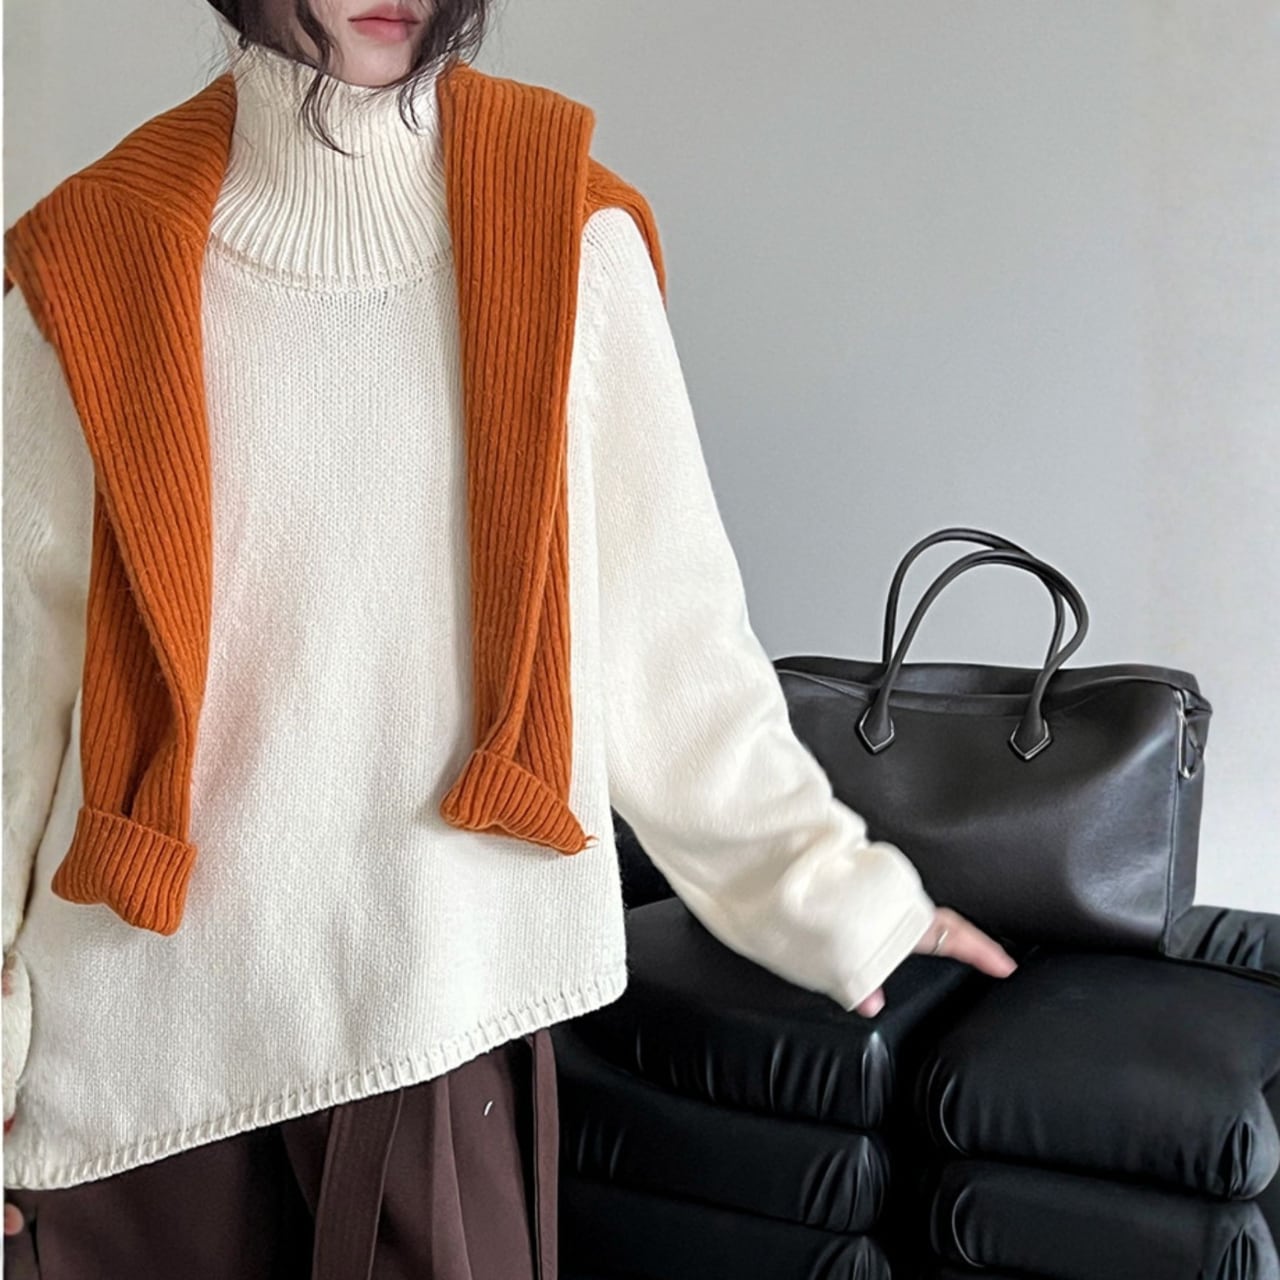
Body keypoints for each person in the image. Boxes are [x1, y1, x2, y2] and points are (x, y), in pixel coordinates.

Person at [1, 0, 1017, 1272]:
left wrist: (832, 894)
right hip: (132, 1058)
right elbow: (19, 693)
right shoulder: (85, 258)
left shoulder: (566, 230)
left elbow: (668, 636)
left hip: (435, 1006)